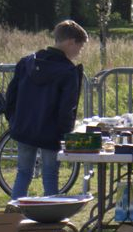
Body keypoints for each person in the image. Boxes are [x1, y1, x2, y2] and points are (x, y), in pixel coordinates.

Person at [6, 19, 88, 199]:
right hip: (51, 132)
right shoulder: (68, 72)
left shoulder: (26, 62)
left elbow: (11, 96)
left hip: (24, 128)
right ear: (70, 42)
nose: (79, 52)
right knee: (50, 176)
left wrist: (14, 120)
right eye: (79, 47)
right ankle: (49, 219)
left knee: (23, 173)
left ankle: (14, 214)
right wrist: (65, 132)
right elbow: (67, 107)